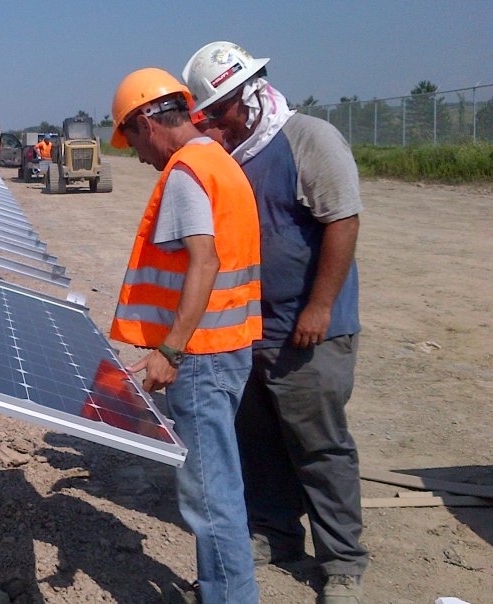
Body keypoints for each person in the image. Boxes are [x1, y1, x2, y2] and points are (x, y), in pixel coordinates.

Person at [183, 41, 367, 604]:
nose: (212, 125)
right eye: (204, 117)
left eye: (217, 113)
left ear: (247, 95)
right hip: (250, 328)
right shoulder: (229, 151)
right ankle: (276, 533)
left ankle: (341, 563)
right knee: (258, 438)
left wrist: (319, 306)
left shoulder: (308, 139)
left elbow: (342, 220)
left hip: (309, 328)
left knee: (317, 442)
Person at [109, 67, 262, 604]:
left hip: (201, 359)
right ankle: (221, 588)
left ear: (145, 123)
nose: (135, 154)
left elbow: (205, 261)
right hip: (230, 347)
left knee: (209, 495)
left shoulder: (184, 172)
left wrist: (170, 351)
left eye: (129, 140)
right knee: (219, 484)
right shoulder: (218, 160)